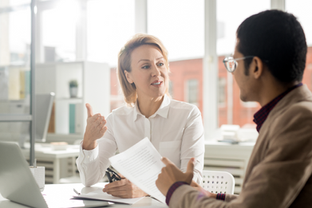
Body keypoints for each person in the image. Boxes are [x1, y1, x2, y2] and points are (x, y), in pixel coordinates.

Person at [156, 9, 312, 208]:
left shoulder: (299, 119)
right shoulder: (287, 114)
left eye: (234, 63)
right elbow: (261, 200)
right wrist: (207, 196)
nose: (232, 74)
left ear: (255, 67)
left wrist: (175, 190)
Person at [76, 33, 205, 198]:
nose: (156, 72)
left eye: (160, 63)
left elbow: (193, 181)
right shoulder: (117, 120)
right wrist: (89, 142)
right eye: (146, 66)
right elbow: (89, 179)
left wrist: (145, 191)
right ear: (128, 76)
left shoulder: (188, 115)